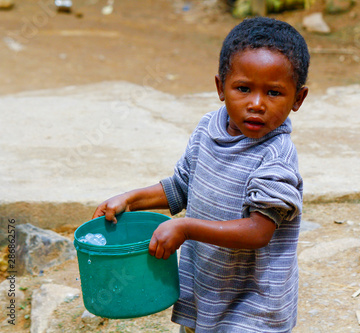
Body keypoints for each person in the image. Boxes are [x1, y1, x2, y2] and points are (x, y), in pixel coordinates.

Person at [92, 16, 309, 333]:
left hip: (254, 304)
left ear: (297, 100)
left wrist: (187, 228)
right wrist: (129, 199)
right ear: (221, 87)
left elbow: (258, 231)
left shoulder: (276, 158)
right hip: (207, 288)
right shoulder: (209, 128)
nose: (257, 104)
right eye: (243, 89)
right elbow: (182, 187)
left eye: (274, 93)